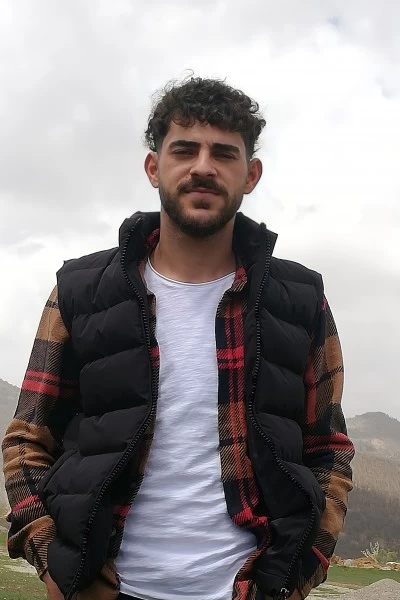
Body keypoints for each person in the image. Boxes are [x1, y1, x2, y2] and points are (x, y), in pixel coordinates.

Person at [2, 77, 354, 600]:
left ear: (251, 175)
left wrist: (298, 574)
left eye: (224, 154)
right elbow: (27, 442)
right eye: (184, 150)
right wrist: (56, 563)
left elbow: (329, 451)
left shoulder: (299, 299)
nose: (203, 167)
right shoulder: (80, 292)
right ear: (154, 167)